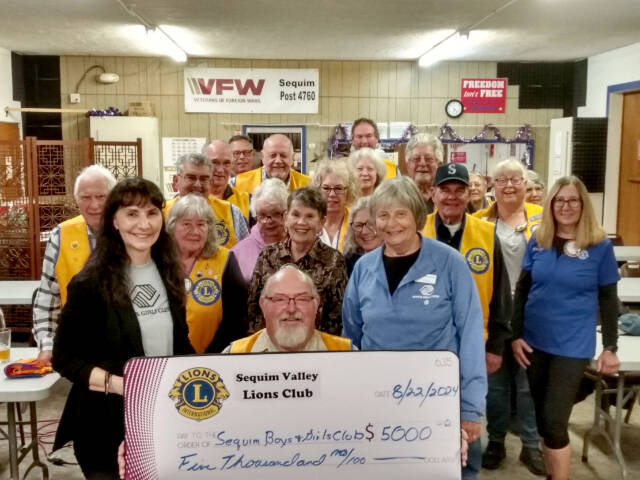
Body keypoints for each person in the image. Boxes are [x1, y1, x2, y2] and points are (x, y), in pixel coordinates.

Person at [341, 176, 487, 480]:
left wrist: (471, 408)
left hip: (437, 399)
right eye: (383, 215)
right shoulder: (363, 269)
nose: (391, 223)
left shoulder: (450, 263)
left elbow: (471, 334)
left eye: (400, 214)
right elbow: (351, 335)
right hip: (378, 399)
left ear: (417, 217)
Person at [52, 177, 193, 478]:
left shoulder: (170, 275)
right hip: (103, 424)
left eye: (153, 212)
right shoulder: (89, 283)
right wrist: (125, 386)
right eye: (132, 213)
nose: (144, 223)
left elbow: (180, 345)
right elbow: (64, 359)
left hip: (161, 418)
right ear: (113, 220)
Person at [511, 176, 620, 480]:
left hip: (572, 345)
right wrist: (516, 335)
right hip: (534, 343)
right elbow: (522, 289)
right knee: (545, 422)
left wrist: (610, 347)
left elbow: (609, 299)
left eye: (573, 200)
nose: (566, 206)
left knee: (556, 422)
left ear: (583, 204)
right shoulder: (539, 239)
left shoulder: (599, 246)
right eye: (559, 200)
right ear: (551, 205)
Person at [422, 163, 512, 478]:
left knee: (469, 417)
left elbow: (502, 296)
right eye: (444, 189)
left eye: (459, 190)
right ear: (432, 193)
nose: (451, 197)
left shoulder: (487, 235)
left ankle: (468, 471)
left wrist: (496, 347)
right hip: (429, 347)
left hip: (475, 347)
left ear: (468, 194)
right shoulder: (417, 232)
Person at [472, 159, 546, 476]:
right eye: (502, 179)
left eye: (516, 179)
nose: (510, 185)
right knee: (497, 385)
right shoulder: (478, 220)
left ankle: (532, 446)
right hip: (495, 314)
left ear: (524, 183)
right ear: (493, 185)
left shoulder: (543, 221)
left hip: (533, 315)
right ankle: (498, 441)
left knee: (527, 384)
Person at [32, 164, 117, 364]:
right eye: (86, 198)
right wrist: (47, 346)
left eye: (101, 196)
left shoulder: (131, 232)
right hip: (78, 350)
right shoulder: (60, 235)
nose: (94, 205)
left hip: (125, 350)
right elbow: (47, 297)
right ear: (76, 201)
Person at [248, 187, 347, 336]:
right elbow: (254, 309)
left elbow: (336, 319)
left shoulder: (334, 262)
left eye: (309, 216)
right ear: (286, 218)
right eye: (296, 214)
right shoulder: (267, 256)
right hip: (270, 348)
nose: (301, 222)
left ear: (322, 222)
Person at [166, 194, 248, 353]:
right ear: (172, 226)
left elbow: (236, 320)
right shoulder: (160, 260)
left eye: (201, 224)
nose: (194, 231)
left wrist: (210, 357)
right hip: (165, 360)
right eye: (187, 224)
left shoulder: (225, 259)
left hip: (215, 358)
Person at [226, 265, 354, 352]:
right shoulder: (235, 355)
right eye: (280, 299)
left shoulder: (347, 353)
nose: (291, 309)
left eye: (302, 299)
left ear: (316, 304)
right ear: (263, 304)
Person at [163, 153, 248, 248]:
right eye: (191, 178)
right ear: (176, 181)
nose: (198, 185)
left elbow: (245, 254)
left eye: (204, 179)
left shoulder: (232, 212)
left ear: (211, 182)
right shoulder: (161, 213)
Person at [230, 178, 289, 284]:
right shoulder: (237, 254)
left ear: (287, 213)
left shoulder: (299, 245)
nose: (268, 221)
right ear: (255, 215)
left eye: (276, 213)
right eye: (262, 215)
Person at [235, 134, 310, 194]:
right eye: (272, 155)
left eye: (283, 155)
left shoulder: (309, 185)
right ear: (263, 157)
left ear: (292, 158)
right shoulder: (237, 184)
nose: (278, 161)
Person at [311, 159, 358, 252]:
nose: (332, 194)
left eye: (338, 188)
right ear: (317, 190)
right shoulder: (309, 222)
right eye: (326, 188)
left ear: (349, 191)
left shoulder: (356, 224)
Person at [203, 139, 250, 220]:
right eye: (215, 162)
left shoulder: (247, 200)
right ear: (202, 164)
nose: (221, 170)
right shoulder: (190, 200)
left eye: (226, 163)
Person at [342, 196, 382, 276]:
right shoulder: (347, 262)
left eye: (371, 224)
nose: (364, 232)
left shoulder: (397, 258)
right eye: (359, 225)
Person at [404, 133, 443, 213]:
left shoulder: (448, 198)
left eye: (428, 159)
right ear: (408, 165)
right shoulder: (398, 197)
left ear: (439, 164)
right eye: (416, 159)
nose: (422, 163)